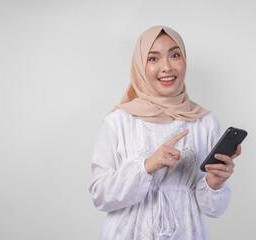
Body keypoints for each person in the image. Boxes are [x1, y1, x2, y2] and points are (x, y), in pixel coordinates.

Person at [89, 25, 242, 240]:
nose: (167, 67)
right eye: (153, 59)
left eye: (175, 55)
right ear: (140, 65)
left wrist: (214, 184)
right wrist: (147, 167)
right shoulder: (120, 120)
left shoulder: (204, 122)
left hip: (186, 232)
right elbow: (100, 195)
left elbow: (213, 210)